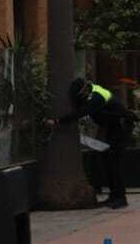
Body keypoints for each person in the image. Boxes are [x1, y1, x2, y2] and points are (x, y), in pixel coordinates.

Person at [52, 76, 132, 208]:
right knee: (107, 162)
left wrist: (58, 121)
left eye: (80, 95)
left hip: (120, 129)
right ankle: (114, 196)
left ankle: (120, 198)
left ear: (85, 89)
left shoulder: (97, 96)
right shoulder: (92, 93)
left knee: (113, 163)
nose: (80, 98)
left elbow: (82, 112)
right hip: (112, 128)